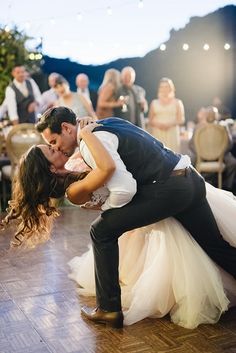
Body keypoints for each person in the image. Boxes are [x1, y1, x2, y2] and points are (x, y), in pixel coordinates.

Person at [3, 119, 236, 330]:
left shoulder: (77, 158)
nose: (56, 147)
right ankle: (109, 307)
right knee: (214, 244)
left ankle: (109, 308)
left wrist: (87, 132)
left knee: (101, 230)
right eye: (51, 149)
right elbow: (107, 171)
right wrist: (87, 133)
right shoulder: (73, 190)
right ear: (50, 169)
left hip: (173, 188)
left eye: (53, 143)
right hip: (190, 180)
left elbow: (111, 172)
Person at [148, 77, 185, 152]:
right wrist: (159, 125)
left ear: (171, 88)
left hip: (172, 133)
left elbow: (181, 119)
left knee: (173, 155)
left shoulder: (177, 102)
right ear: (159, 89)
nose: (164, 89)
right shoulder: (154, 103)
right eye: (162, 87)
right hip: (158, 133)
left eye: (166, 86)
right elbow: (150, 120)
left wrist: (169, 124)